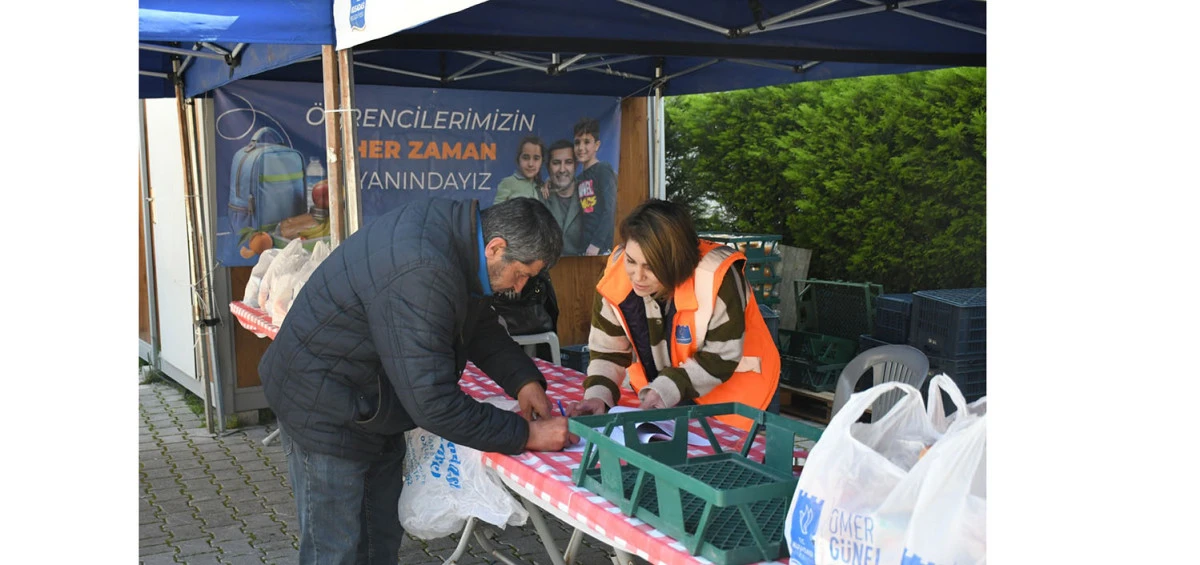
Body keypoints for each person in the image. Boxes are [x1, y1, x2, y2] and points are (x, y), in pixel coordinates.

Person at [259, 197, 576, 565]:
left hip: (367, 403)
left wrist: (523, 381)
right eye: (521, 273)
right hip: (322, 407)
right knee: (336, 550)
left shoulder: (458, 240)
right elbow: (433, 403)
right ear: (496, 247)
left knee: (380, 541)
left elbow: (477, 325)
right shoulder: (425, 268)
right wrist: (527, 435)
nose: (520, 288)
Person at [566, 199, 780, 430]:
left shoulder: (718, 276)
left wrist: (666, 389)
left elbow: (723, 354)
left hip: (734, 402)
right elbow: (608, 352)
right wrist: (598, 396)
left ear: (677, 261)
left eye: (651, 267)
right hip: (667, 395)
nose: (637, 276)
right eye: (631, 261)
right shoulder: (616, 275)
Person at [572, 117, 617, 255]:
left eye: (587, 142)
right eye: (577, 142)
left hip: (600, 248)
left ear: (597, 145)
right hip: (583, 247)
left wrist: (596, 245)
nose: (581, 148)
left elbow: (610, 209)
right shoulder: (578, 179)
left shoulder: (603, 169)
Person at [538, 139, 586, 255]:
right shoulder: (538, 197)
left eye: (568, 162)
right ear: (548, 167)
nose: (562, 169)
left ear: (576, 165)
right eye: (556, 163)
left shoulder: (589, 192)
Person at [493, 136, 545, 203]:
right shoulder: (508, 183)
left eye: (536, 158)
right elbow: (496, 211)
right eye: (525, 158)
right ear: (518, 159)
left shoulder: (541, 186)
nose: (530, 164)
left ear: (542, 161)